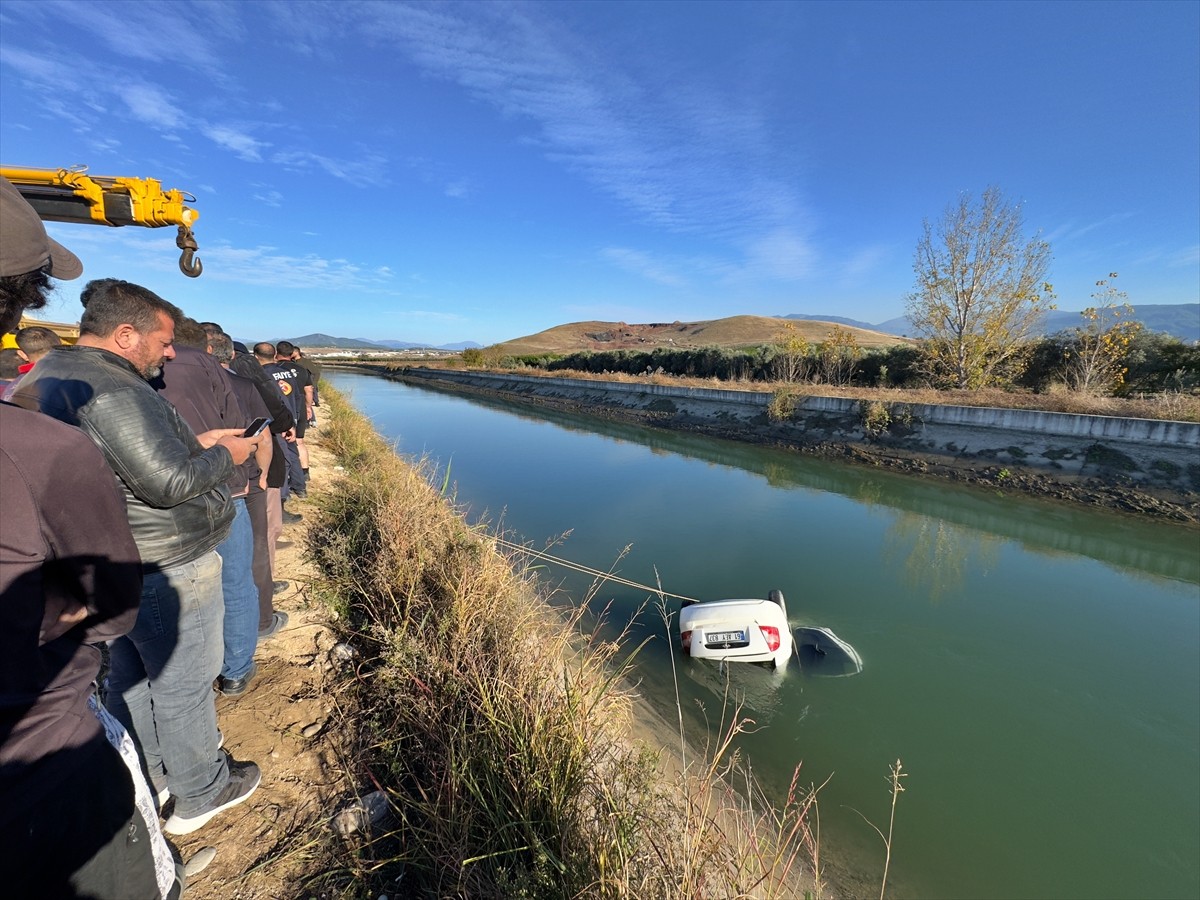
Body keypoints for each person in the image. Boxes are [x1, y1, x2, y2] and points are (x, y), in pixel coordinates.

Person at [12, 277, 266, 837]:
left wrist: (196, 445)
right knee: (183, 680)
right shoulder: (117, 389)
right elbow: (168, 484)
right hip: (165, 559)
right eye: (164, 340)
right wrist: (228, 453)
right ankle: (203, 789)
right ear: (126, 334)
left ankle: (152, 774)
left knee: (132, 676)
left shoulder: (53, 374)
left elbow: (117, 462)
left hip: (109, 555)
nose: (172, 351)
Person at [0, 176, 167, 897]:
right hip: (43, 780)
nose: (167, 355)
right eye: (160, 341)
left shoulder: (48, 399)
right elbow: (114, 602)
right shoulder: (38, 448)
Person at [151, 318, 266, 697]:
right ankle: (235, 670)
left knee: (177, 588)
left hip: (158, 497)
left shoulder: (129, 372)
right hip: (222, 489)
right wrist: (253, 477)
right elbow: (242, 432)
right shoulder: (214, 370)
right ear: (207, 344)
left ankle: (181, 672)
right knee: (235, 582)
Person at [209, 331, 290, 637]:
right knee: (256, 545)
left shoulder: (163, 383)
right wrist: (267, 473)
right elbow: (268, 432)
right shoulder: (243, 382)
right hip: (246, 478)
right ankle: (261, 619)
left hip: (200, 482)